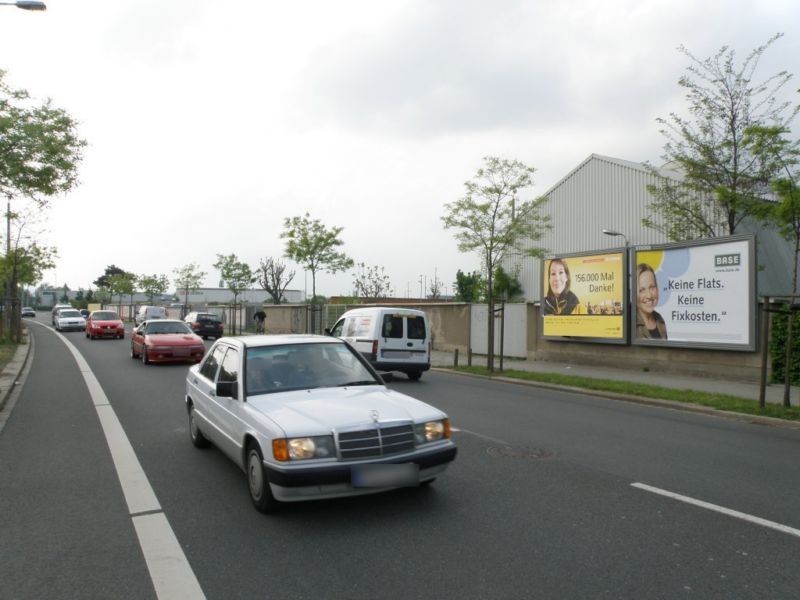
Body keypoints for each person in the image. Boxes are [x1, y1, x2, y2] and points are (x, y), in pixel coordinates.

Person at [636, 263, 668, 339]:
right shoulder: (630, 325)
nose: (649, 295)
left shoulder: (660, 320)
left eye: (652, 287)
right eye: (642, 290)